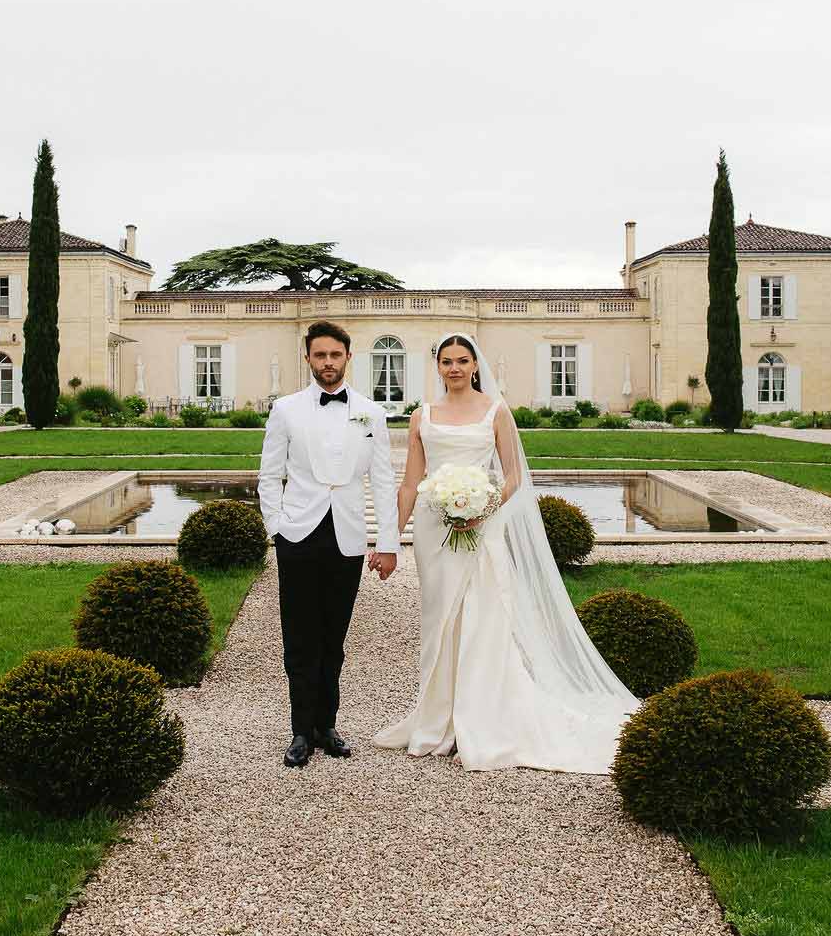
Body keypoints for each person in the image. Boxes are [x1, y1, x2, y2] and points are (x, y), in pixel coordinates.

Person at [375, 332, 639, 773]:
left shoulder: (496, 411)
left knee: (483, 619)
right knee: (439, 621)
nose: (455, 368)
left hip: (482, 529)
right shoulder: (422, 416)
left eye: (462, 360)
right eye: (446, 361)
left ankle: (480, 718)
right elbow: (409, 484)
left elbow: (514, 475)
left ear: (475, 366)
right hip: (433, 532)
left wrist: (482, 508)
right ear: (437, 366)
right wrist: (388, 541)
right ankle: (438, 719)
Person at [256, 321, 400, 769]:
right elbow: (268, 475)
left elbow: (382, 479)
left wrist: (388, 541)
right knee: (299, 638)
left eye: (335, 355)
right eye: (320, 356)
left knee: (334, 638)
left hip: (348, 537)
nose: (328, 363)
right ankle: (300, 730)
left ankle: (327, 725)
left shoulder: (371, 413)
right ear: (308, 359)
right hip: (297, 535)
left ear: (347, 357)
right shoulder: (285, 409)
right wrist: (276, 527)